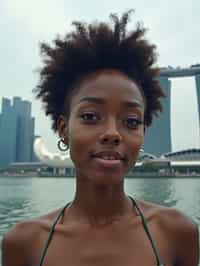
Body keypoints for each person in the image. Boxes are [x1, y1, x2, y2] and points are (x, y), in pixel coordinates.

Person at [2, 10, 199, 266]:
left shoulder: (177, 232)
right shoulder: (24, 243)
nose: (112, 133)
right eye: (91, 116)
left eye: (131, 121)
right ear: (63, 128)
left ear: (142, 133)